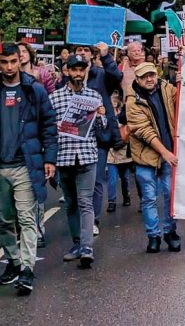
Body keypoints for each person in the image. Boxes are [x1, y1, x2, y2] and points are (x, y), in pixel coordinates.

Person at [0, 44, 57, 296]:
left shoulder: (34, 89)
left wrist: (50, 158)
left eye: (13, 61)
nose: (9, 67)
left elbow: (48, 124)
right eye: (4, 62)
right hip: (1, 166)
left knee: (26, 218)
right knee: (3, 221)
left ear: (19, 61)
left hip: (25, 163)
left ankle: (26, 269)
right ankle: (13, 260)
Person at [50, 55, 108, 269]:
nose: (78, 74)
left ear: (85, 71)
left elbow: (102, 129)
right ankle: (77, 244)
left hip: (87, 155)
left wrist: (102, 115)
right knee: (72, 203)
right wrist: (54, 126)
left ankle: (86, 247)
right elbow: (46, 129)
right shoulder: (54, 98)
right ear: (67, 71)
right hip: (64, 156)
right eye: (74, 70)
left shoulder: (94, 96)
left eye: (81, 70)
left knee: (85, 201)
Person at [126, 62, 181, 253]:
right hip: (146, 157)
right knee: (149, 198)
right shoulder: (133, 101)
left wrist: (183, 83)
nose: (149, 79)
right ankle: (153, 236)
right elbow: (145, 132)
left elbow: (183, 99)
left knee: (170, 195)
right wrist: (165, 152)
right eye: (144, 77)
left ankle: (170, 232)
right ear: (138, 80)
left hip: (169, 153)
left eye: (151, 75)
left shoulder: (167, 89)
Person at [70, 44, 122, 235]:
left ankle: (93, 220)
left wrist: (107, 56)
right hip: (75, 136)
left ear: (92, 55)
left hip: (99, 135)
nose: (82, 53)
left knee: (97, 179)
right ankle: (80, 218)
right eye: (78, 50)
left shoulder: (101, 75)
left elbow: (117, 77)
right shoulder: (68, 79)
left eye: (85, 50)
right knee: (76, 181)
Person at [107, 94, 132, 211]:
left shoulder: (123, 115)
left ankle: (126, 196)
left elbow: (129, 129)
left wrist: (123, 142)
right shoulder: (105, 115)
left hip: (123, 152)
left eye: (115, 100)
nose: (113, 102)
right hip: (111, 152)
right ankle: (111, 202)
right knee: (112, 179)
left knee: (125, 178)